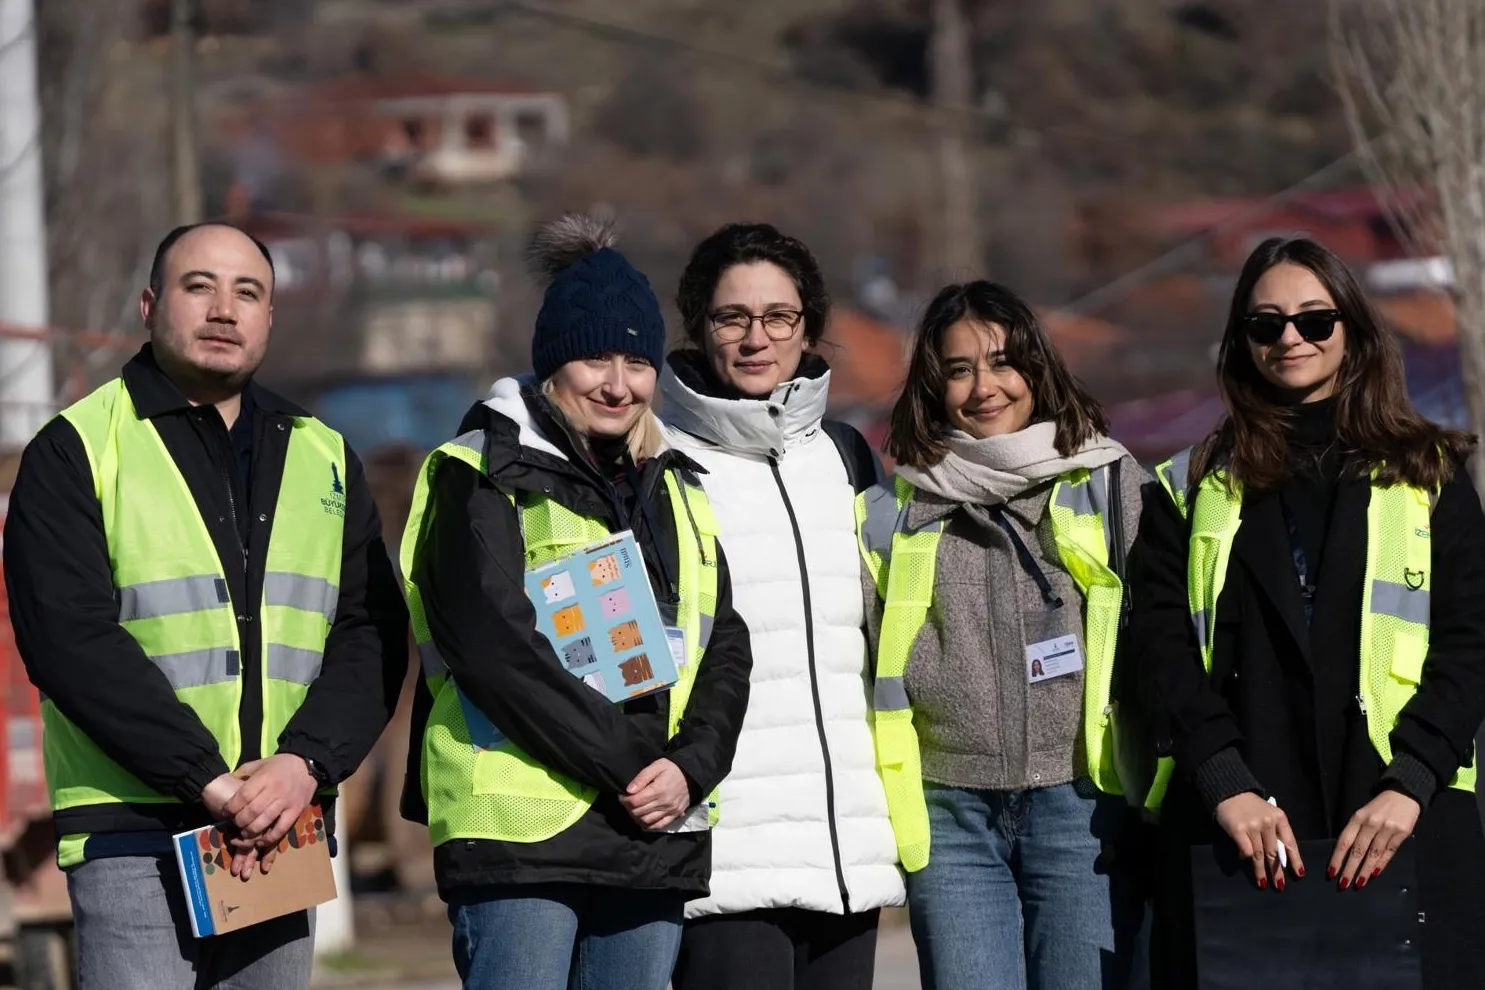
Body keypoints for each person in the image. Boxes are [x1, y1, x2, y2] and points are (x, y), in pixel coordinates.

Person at [3, 222, 408, 989]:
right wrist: (209, 780)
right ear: (149, 304)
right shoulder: (77, 449)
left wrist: (303, 765)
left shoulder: (322, 454)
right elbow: (69, 641)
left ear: (269, 318)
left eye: (247, 293)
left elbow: (370, 634)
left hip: (278, 826)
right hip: (133, 830)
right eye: (200, 287)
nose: (225, 309)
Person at [399, 214, 754, 990]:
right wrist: (635, 766)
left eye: (637, 362)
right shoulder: (479, 474)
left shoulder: (677, 487)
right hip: (523, 836)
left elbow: (724, 644)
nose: (618, 384)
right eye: (596, 358)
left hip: (653, 831)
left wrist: (691, 769)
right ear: (552, 364)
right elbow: (494, 649)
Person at [1129, 236, 1485, 989]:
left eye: (1314, 320)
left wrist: (1411, 781)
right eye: (1266, 324)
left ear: (1352, 329)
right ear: (1242, 341)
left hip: (1398, 818)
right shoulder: (1187, 487)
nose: (1290, 338)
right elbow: (1159, 651)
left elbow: (1471, 641)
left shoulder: (1430, 476)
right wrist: (1224, 782)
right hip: (1239, 835)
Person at [856, 281, 1152, 990]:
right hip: (948, 815)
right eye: (959, 369)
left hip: (1082, 807)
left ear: (1037, 369)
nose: (983, 387)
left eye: (1002, 362)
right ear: (933, 386)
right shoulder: (887, 512)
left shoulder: (1110, 483)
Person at [660, 223, 902, 990]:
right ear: (699, 327)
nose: (755, 338)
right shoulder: (657, 458)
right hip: (723, 855)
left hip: (844, 850)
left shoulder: (846, 457)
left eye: (778, 317)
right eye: (731, 317)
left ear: (808, 327)